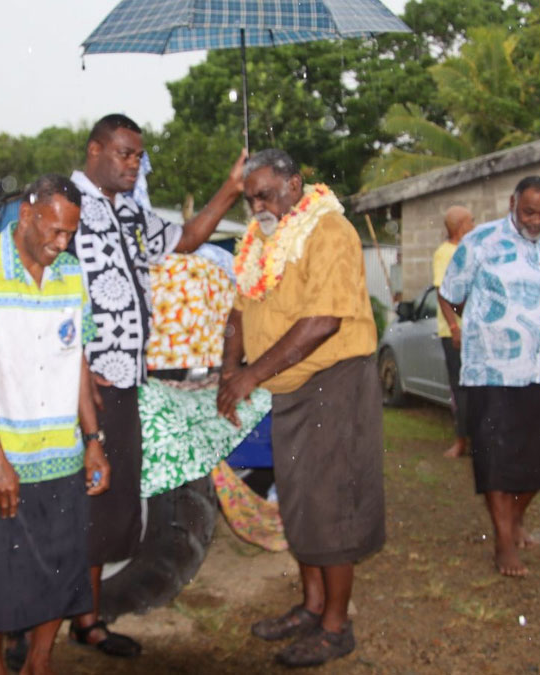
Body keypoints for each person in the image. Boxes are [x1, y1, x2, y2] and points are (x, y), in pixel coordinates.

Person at [66, 113, 245, 657]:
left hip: (121, 384)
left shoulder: (132, 215)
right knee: (59, 510)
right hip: (71, 384)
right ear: (95, 150)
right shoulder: (63, 206)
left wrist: (231, 188)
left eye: (138, 156)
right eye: (123, 153)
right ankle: (29, 632)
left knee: (107, 508)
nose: (132, 163)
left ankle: (88, 622)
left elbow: (187, 238)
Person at [217, 149, 385, 668]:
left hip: (333, 382)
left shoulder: (329, 232)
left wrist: (250, 375)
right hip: (287, 388)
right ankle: (312, 607)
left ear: (296, 183)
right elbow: (239, 312)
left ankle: (336, 627)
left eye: (266, 193)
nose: (259, 205)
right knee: (299, 503)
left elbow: (323, 322)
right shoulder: (259, 239)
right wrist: (228, 369)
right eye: (250, 198)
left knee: (329, 506)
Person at [0, 174, 112, 675]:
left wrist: (94, 441)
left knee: (61, 571)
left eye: (70, 235)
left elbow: (77, 362)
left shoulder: (72, 275)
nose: (62, 244)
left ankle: (39, 662)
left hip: (58, 455)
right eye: (55, 232)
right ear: (26, 215)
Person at [439, 175, 540, 578]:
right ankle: (504, 541)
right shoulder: (480, 242)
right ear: (512, 203)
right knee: (496, 457)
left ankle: (514, 519)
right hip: (493, 369)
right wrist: (459, 330)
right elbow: (449, 291)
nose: (537, 220)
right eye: (528, 211)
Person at [434, 206, 475, 459]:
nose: (474, 225)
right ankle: (461, 442)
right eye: (471, 221)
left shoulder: (469, 250)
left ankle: (477, 441)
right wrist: (454, 327)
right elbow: (443, 292)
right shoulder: (444, 253)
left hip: (474, 331)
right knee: (460, 389)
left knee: (475, 388)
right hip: (454, 333)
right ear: (460, 227)